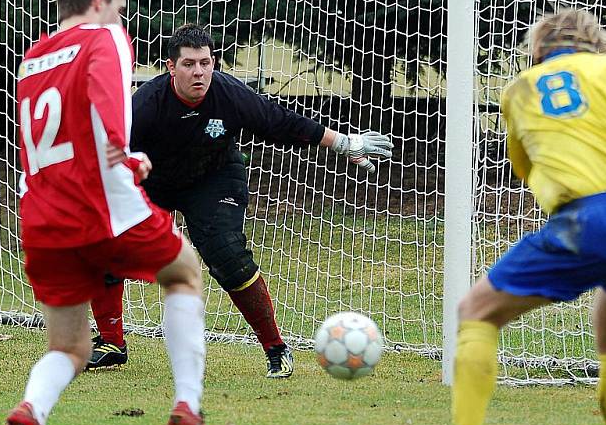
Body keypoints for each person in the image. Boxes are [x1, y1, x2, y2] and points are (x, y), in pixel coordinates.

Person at [399, 8, 606, 425]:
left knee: (476, 311)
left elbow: (528, 167)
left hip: (591, 218)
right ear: (597, 41)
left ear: (538, 49)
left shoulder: (521, 90)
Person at [86, 24, 394, 377]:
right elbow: (110, 152)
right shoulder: (144, 106)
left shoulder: (230, 95)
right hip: (152, 182)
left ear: (214, 63)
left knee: (226, 252)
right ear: (171, 68)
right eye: (188, 64)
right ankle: (111, 343)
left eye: (205, 63)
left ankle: (276, 348)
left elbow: (281, 122)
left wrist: (342, 143)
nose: (198, 72)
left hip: (213, 178)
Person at [6, 0, 215, 425]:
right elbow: (107, 98)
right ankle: (188, 405)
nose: (123, 19)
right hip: (100, 204)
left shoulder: (31, 59)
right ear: (100, 2)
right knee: (184, 272)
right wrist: (128, 151)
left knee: (70, 345)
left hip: (41, 216)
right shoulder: (105, 37)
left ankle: (31, 412)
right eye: (120, 7)